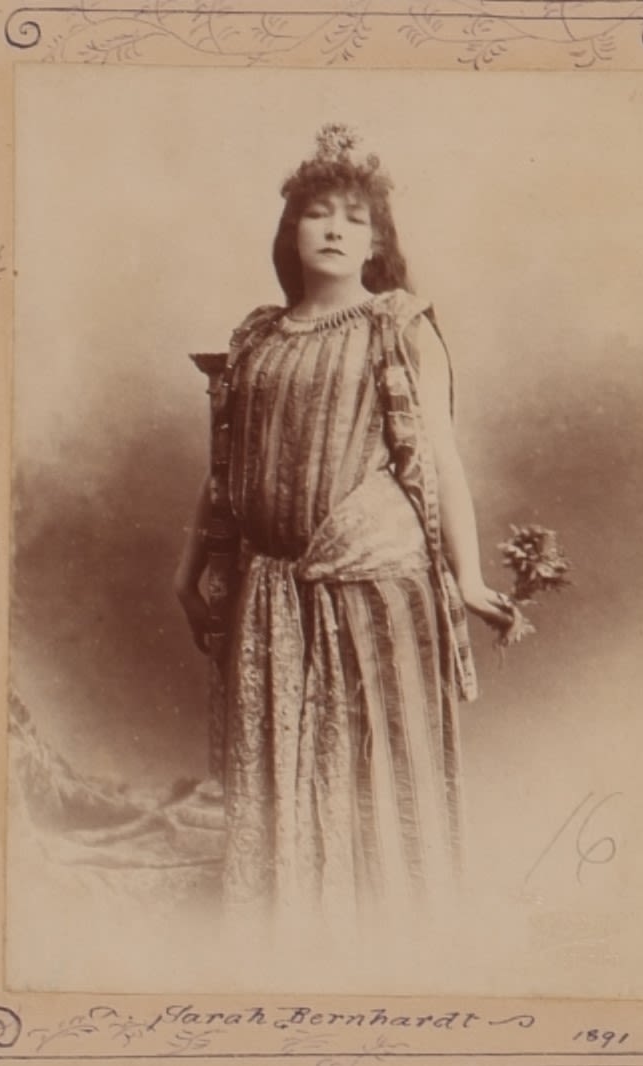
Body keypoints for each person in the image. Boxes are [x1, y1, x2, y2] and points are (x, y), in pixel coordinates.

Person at [175, 124, 513, 937]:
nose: (334, 228)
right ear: (290, 232)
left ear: (377, 242)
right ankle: (289, 921)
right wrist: (188, 573)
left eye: (354, 218)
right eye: (317, 213)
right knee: (286, 767)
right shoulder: (256, 338)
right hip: (270, 593)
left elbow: (440, 459)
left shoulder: (397, 326)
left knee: (373, 765)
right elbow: (225, 476)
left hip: (372, 585)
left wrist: (466, 581)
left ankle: (387, 940)